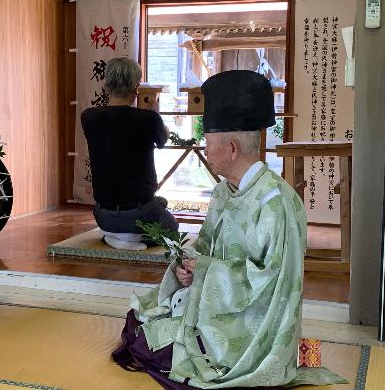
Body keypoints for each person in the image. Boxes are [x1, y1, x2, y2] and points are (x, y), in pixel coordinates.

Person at [112, 71, 344, 388]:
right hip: (212, 303)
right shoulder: (224, 192)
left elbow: (270, 286)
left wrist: (205, 272)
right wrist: (187, 267)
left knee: (165, 352)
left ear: (231, 148)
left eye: (209, 143)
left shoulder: (277, 204)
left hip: (251, 325)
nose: (205, 150)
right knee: (140, 329)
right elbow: (205, 245)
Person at [81, 57, 178, 250]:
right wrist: (156, 117)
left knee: (159, 203)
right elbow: (162, 141)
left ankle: (116, 236)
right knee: (172, 228)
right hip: (140, 213)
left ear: (107, 85)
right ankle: (136, 238)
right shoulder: (149, 119)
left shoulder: (89, 117)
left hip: (103, 216)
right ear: (136, 88)